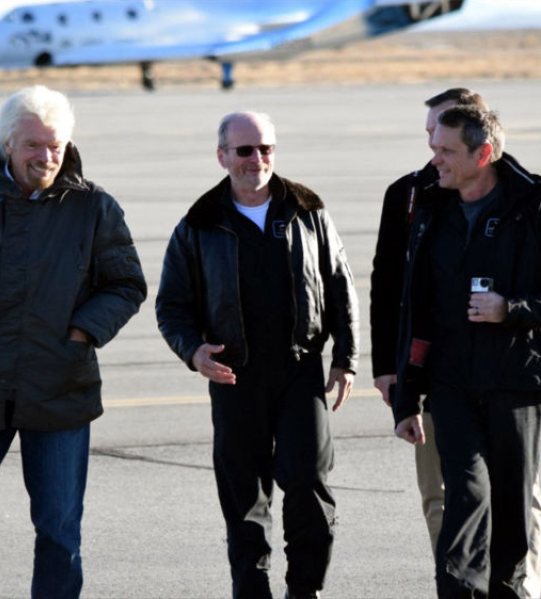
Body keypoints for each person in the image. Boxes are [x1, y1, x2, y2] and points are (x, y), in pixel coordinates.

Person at [0, 85, 147, 599]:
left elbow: (126, 283)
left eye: (55, 146)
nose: (46, 157)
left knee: (59, 526)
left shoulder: (93, 206)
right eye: (34, 145)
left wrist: (81, 333)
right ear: (7, 144)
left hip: (61, 386)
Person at [391, 105, 541, 598]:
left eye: (446, 150)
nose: (433, 159)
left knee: (510, 508)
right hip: (450, 384)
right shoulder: (430, 208)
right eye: (433, 147)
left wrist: (512, 308)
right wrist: (406, 394)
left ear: (483, 153)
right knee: (464, 496)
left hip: (516, 382)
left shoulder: (537, 207)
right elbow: (414, 309)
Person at [155, 111, 359, 599]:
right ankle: (252, 588)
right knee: (244, 495)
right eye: (245, 150)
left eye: (266, 148)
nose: (257, 159)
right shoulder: (199, 223)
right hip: (234, 377)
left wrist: (346, 357)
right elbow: (171, 305)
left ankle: (304, 589)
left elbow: (340, 285)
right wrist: (193, 350)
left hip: (300, 371)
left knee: (308, 483)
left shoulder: (309, 210)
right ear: (222, 156)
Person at [371, 89, 541, 597]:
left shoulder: (516, 195)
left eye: (441, 136)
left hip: (503, 375)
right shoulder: (407, 194)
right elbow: (391, 286)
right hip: (434, 370)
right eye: (429, 133)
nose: (431, 145)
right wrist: (388, 365)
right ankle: (458, 585)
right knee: (441, 491)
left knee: (518, 495)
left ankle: (520, 589)